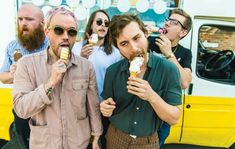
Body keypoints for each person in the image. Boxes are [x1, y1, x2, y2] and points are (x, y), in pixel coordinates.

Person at [12, 7, 102, 149]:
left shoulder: (86, 66)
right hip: (45, 144)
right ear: (47, 31)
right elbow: (21, 109)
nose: (66, 36)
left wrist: (97, 135)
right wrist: (50, 83)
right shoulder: (27, 64)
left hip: (78, 143)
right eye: (59, 30)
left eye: (71, 32)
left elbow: (92, 105)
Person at [100, 14, 182, 149]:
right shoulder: (112, 71)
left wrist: (152, 96)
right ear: (118, 49)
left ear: (145, 34)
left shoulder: (169, 70)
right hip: (115, 137)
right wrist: (104, 107)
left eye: (137, 38)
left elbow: (174, 118)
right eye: (124, 43)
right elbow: (106, 103)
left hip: (148, 142)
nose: (133, 48)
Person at [0, 4, 49, 149]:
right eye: (20, 19)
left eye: (29, 19)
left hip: (46, 109)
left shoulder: (51, 45)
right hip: (21, 111)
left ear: (42, 23)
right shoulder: (12, 46)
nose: (24, 23)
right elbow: (2, 76)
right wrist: (13, 75)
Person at [73, 9, 121, 149]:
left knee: (102, 143)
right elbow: (69, 77)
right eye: (99, 22)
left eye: (106, 23)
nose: (103, 26)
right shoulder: (76, 48)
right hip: (80, 106)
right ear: (91, 25)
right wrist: (82, 58)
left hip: (102, 106)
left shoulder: (114, 53)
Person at [148, 8, 192, 147]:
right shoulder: (149, 42)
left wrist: (169, 54)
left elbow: (184, 82)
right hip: (143, 108)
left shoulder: (185, 53)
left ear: (182, 32)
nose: (167, 24)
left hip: (164, 115)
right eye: (167, 20)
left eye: (174, 22)